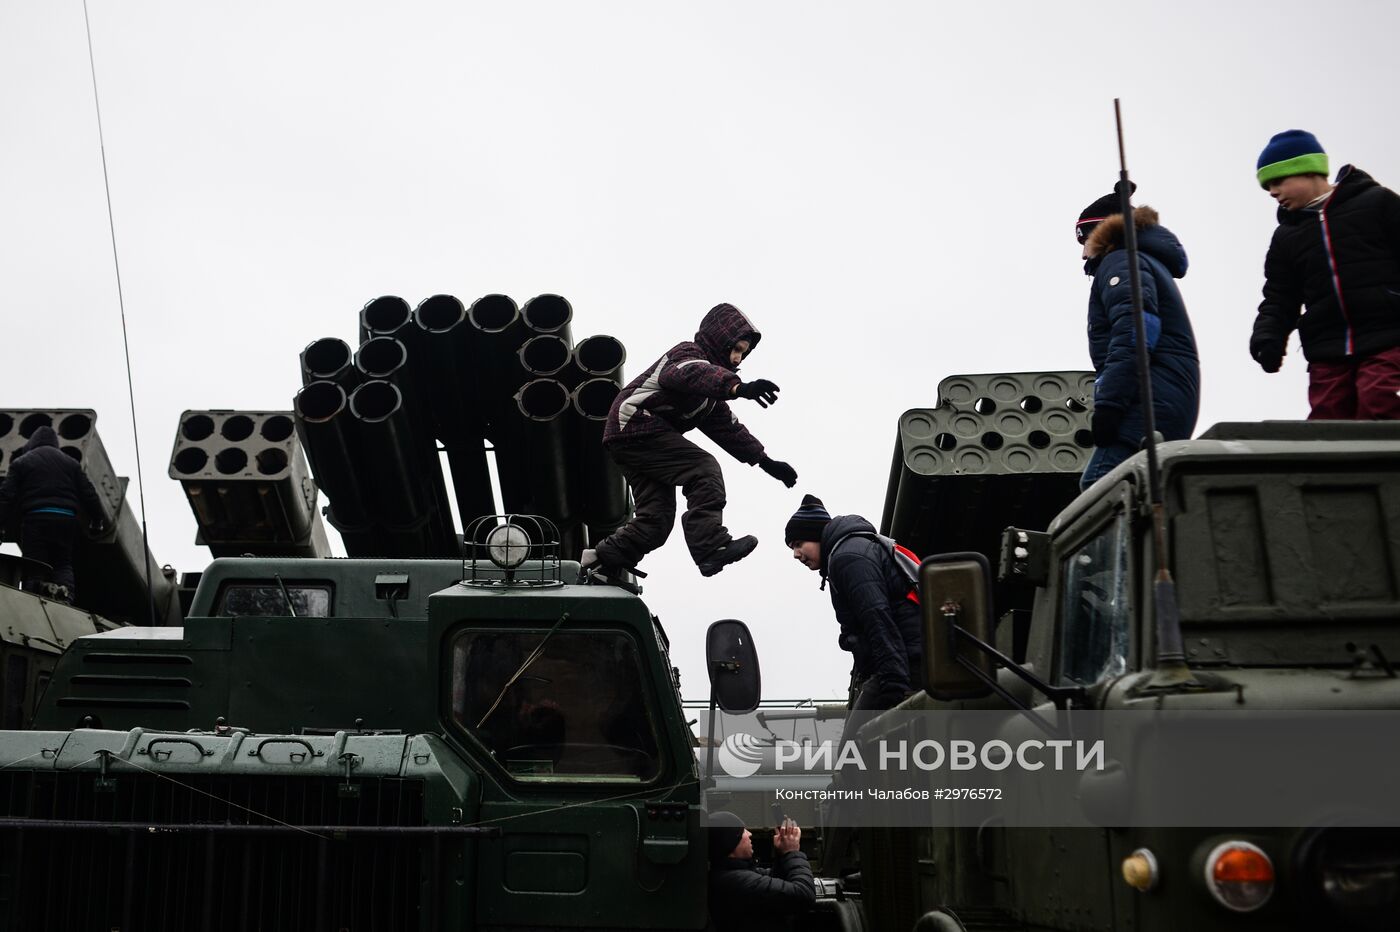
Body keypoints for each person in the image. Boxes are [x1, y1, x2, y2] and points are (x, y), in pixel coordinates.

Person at [583, 303, 798, 580]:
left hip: (635, 441)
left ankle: (601, 562)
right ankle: (711, 546)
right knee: (703, 468)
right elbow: (693, 373)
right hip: (635, 424)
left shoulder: (709, 397)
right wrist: (739, 388)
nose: (737, 359)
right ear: (719, 341)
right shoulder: (687, 355)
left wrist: (766, 462)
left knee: (656, 521)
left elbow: (729, 428)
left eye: (743, 354)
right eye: (735, 349)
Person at [1250, 129, 1400, 419]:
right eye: (1267, 186)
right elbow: (1280, 296)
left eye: (1278, 180)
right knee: (1328, 421)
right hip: (1327, 349)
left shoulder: (1377, 203)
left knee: (1379, 399)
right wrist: (1268, 335)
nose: (1272, 191)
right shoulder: (1286, 237)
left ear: (1309, 172)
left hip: (1388, 336)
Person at [1075, 191, 1200, 490]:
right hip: (1168, 397)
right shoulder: (1143, 261)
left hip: (1147, 399)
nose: (1082, 255)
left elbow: (1135, 332)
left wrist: (1109, 405)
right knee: (1148, 493)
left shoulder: (1120, 261)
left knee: (1100, 490)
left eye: (1086, 241)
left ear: (1104, 233)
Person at [785, 495, 922, 714]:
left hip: (906, 666)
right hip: (904, 662)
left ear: (817, 535)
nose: (795, 554)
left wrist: (894, 686)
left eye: (799, 544)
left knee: (853, 746)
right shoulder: (851, 551)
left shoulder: (848, 557)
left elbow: (877, 618)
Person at [0, 426, 106, 602]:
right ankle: (66, 595)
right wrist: (97, 521)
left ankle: (33, 597)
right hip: (65, 519)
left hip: (36, 518)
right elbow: (89, 493)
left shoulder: (21, 463)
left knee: (33, 565)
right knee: (62, 563)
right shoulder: (71, 463)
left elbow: (5, 497)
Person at [707, 811, 814, 932]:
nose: (749, 834)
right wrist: (792, 852)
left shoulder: (732, 874)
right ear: (730, 843)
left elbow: (777, 885)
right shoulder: (737, 882)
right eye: (743, 831)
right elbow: (803, 895)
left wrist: (782, 855)